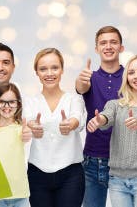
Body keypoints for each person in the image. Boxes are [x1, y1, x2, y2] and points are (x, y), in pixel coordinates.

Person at [86, 55, 137, 207]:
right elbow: (107, 115)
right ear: (127, 77)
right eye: (131, 72)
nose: (136, 76)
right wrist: (99, 120)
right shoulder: (115, 105)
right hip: (117, 181)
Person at [23, 48, 86, 207]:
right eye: (43, 69)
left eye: (54, 67)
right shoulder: (30, 102)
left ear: (62, 70)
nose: (49, 73)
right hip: (37, 173)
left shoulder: (74, 99)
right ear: (36, 72)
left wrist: (69, 125)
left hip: (71, 174)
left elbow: (76, 118)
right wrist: (33, 126)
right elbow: (29, 119)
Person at [76, 26, 126, 207]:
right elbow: (81, 87)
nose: (108, 46)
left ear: (121, 47)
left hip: (124, 162)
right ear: (96, 48)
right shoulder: (89, 77)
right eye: (103, 43)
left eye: (114, 42)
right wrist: (80, 81)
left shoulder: (132, 77)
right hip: (92, 162)